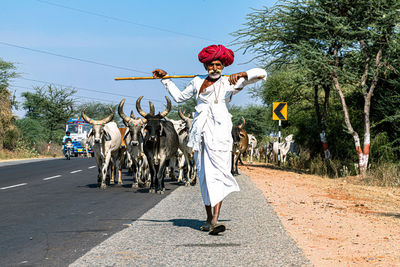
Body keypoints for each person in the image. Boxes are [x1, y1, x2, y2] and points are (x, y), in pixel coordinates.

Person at [152, 44, 267, 235]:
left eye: (219, 65)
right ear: (206, 67)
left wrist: (242, 74)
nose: (215, 68)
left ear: (224, 66)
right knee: (204, 176)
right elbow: (180, 97)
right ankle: (208, 219)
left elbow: (261, 73)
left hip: (220, 135)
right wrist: (166, 79)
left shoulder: (231, 82)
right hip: (200, 134)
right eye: (212, 65)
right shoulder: (197, 81)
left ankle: (215, 219)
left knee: (218, 175)